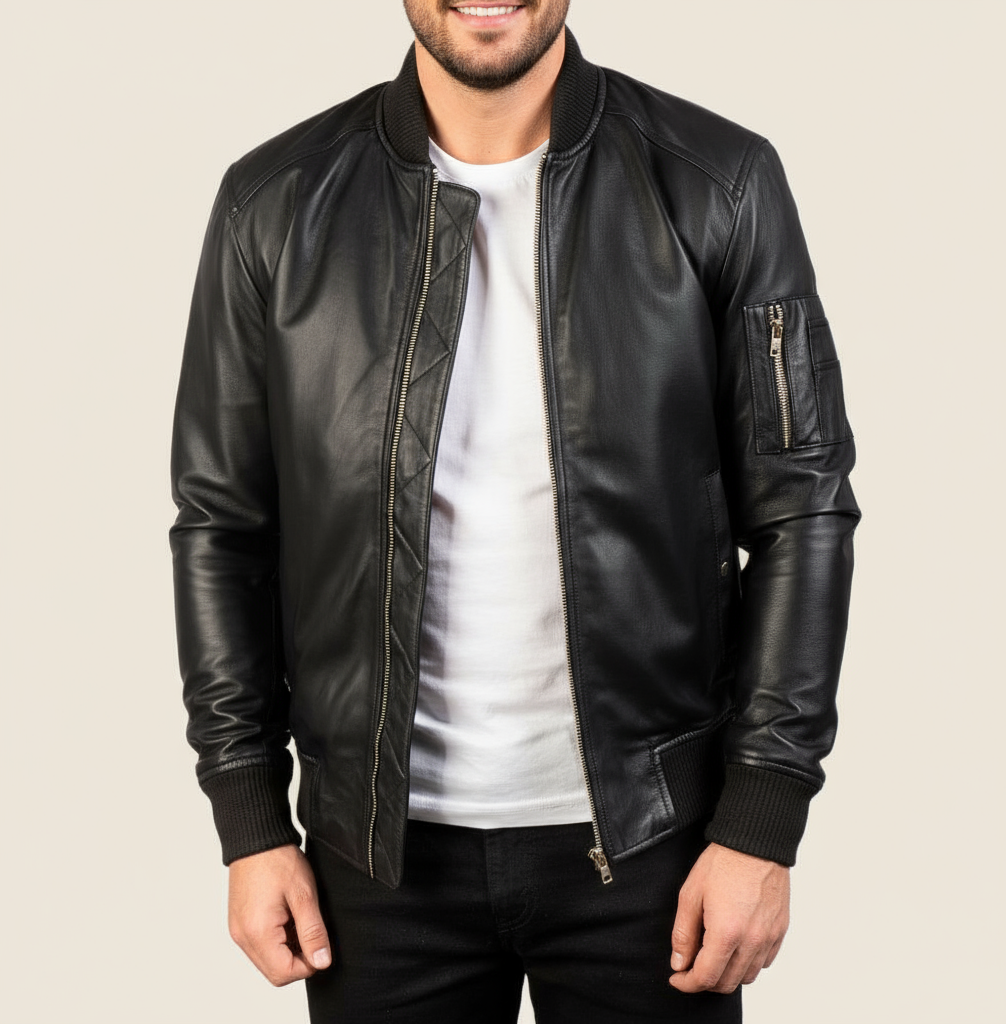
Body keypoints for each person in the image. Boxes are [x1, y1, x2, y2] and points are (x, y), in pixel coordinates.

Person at [169, 2, 860, 1020]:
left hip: (658, 849)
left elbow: (802, 510)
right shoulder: (273, 204)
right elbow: (222, 529)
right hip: (376, 864)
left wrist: (761, 816)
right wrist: (250, 818)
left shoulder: (720, 183)